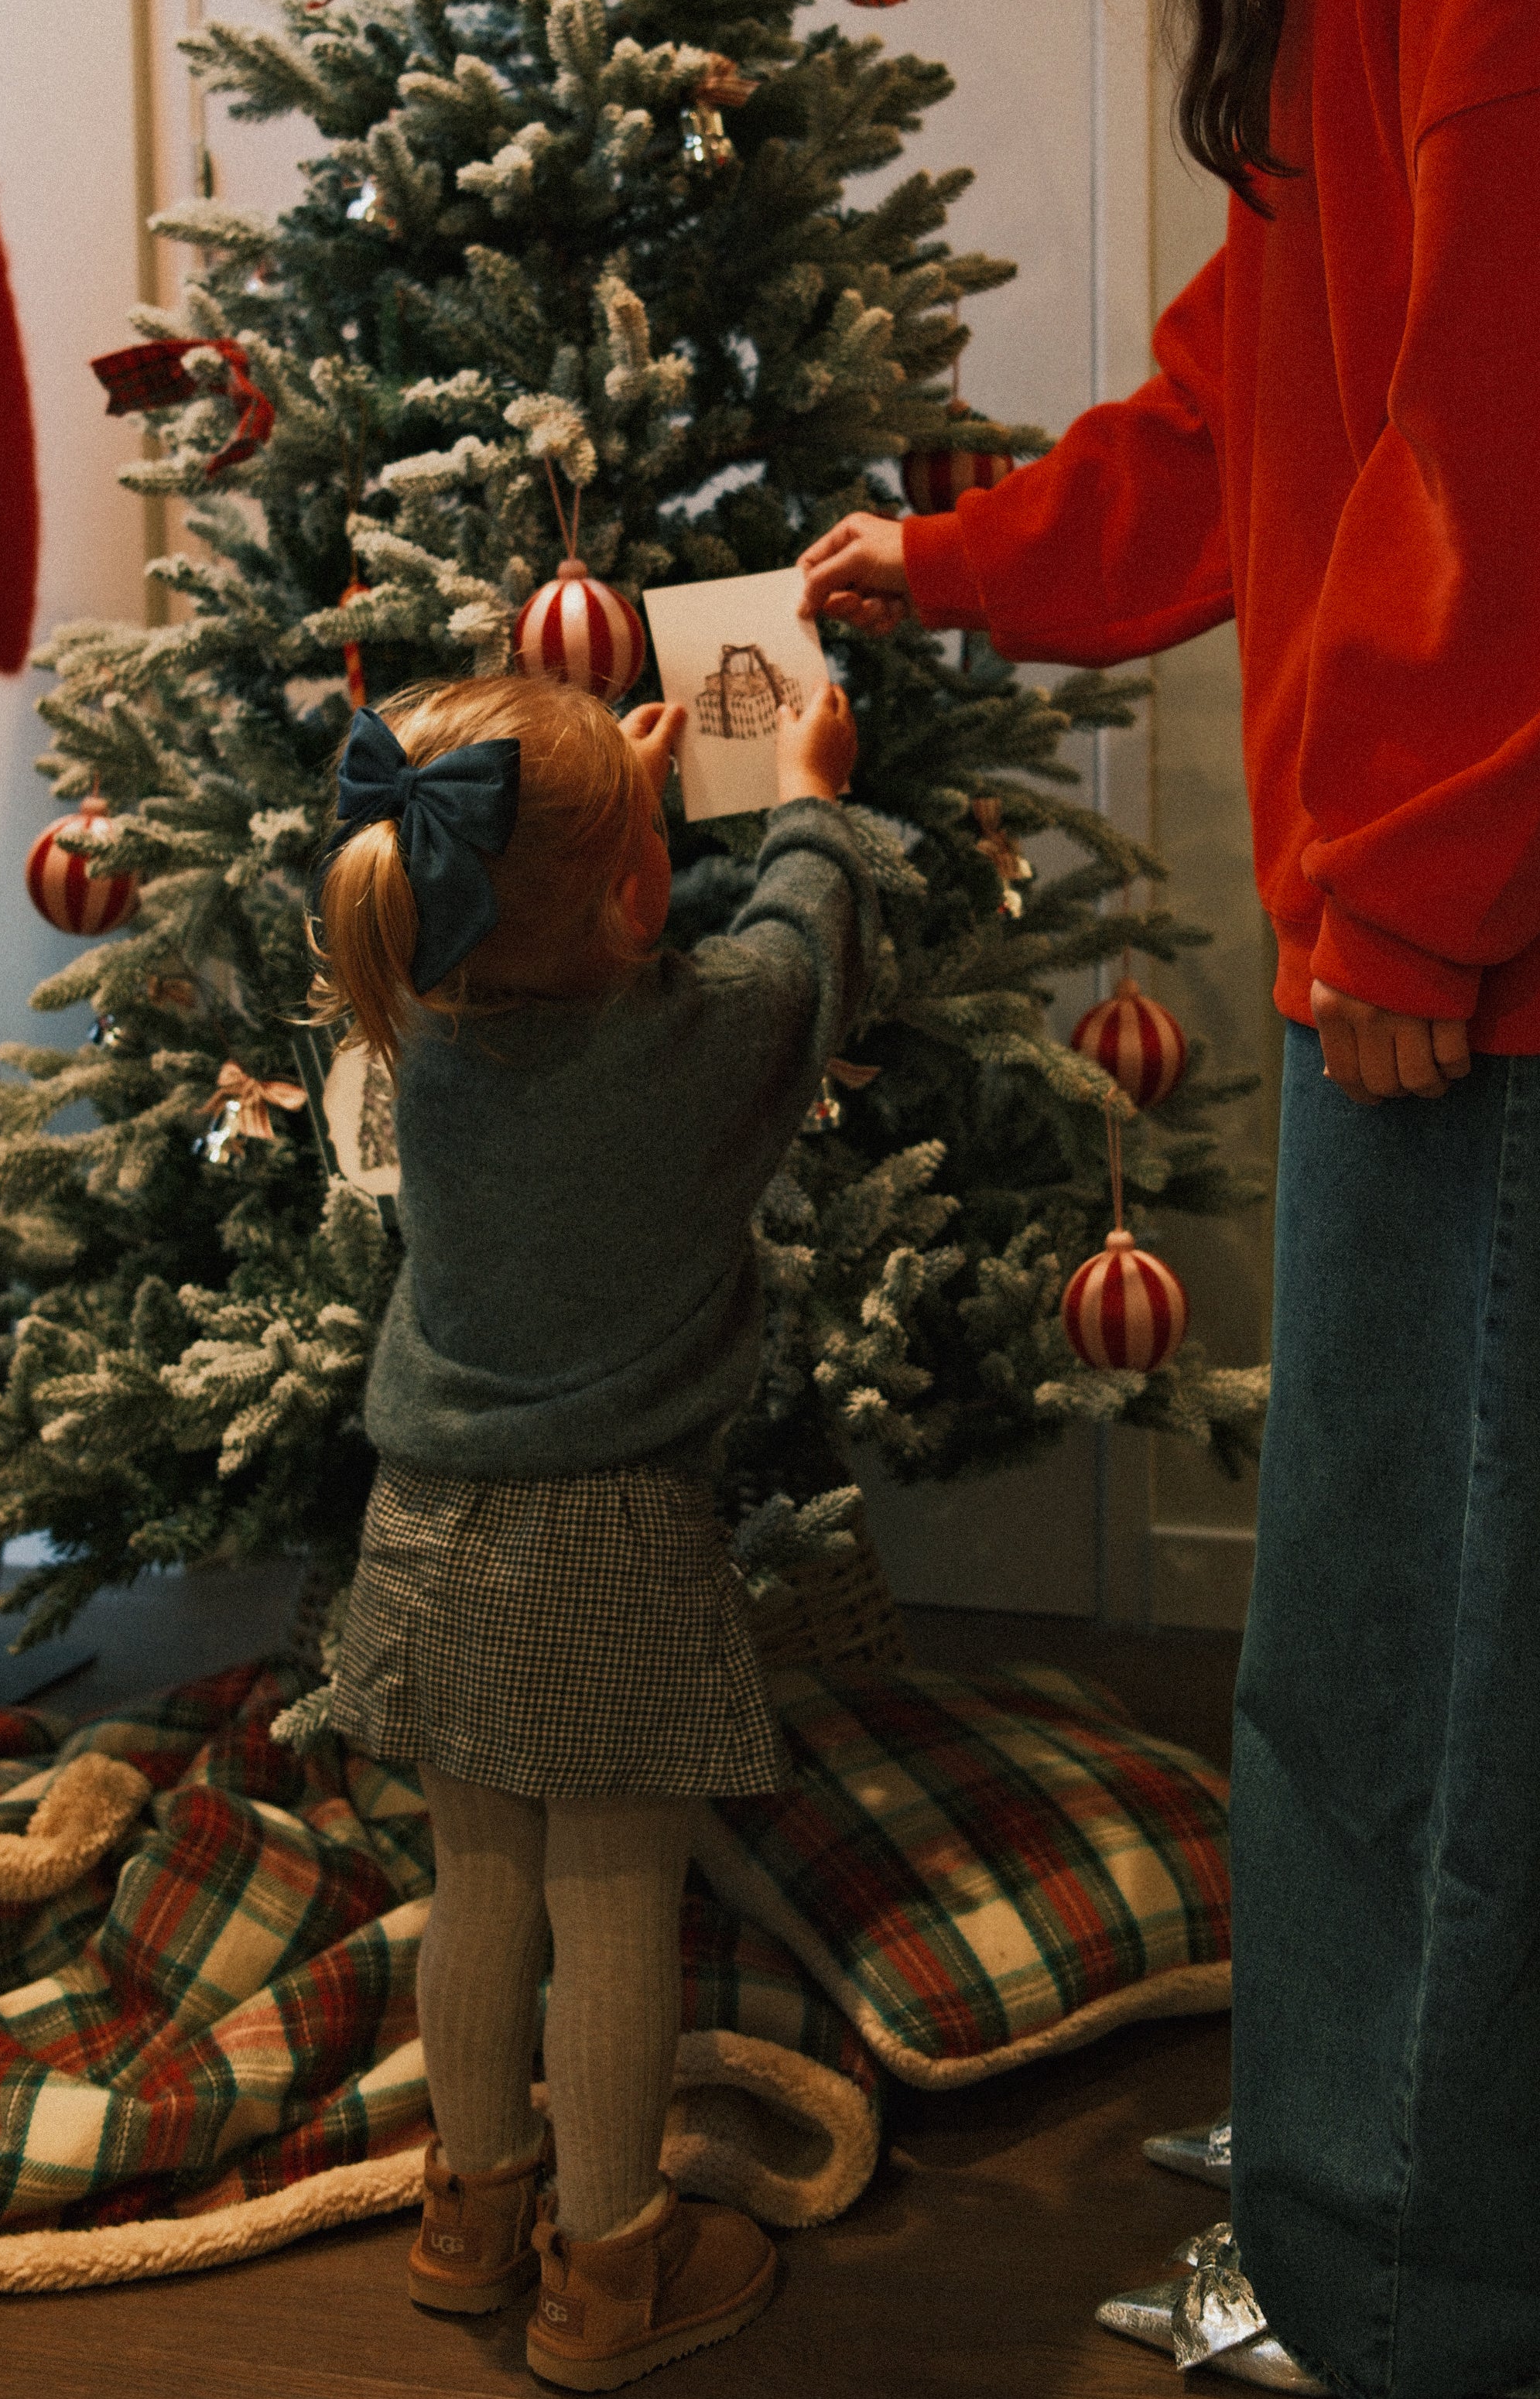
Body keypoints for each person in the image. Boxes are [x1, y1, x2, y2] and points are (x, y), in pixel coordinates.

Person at [799, 0, 1540, 2391]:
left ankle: (1395, 2280)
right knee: (1382, 1620)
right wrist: (963, 552)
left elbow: (1533, 367)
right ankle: (1359, 2148)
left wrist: (1414, 881)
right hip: (1488, 862)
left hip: (1514, 898)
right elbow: (1280, 351)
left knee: (1412, 1652)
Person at [307, 669, 874, 2390]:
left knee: (478, 1882)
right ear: (643, 886)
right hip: (610, 1546)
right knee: (614, 1903)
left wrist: (595, 821)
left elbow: (555, 920)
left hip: (423, 1528)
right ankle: (610, 2273)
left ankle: (468, 2219)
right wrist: (804, 789)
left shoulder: (425, 1017)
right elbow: (802, 948)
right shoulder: (696, 1044)